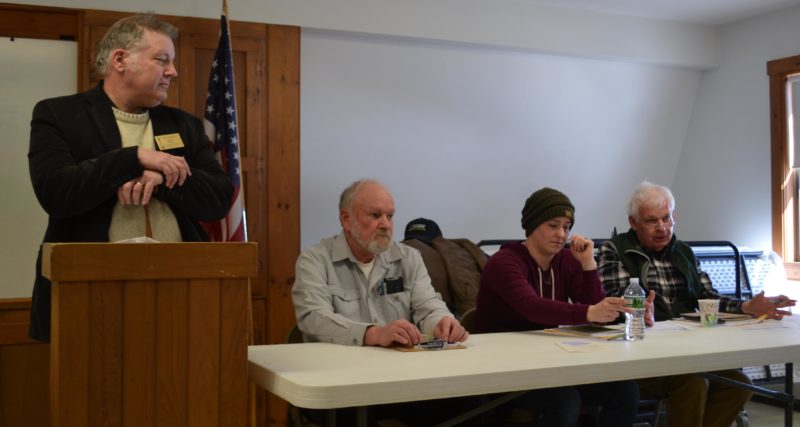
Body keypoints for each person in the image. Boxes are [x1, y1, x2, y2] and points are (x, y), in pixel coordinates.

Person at [27, 14, 234, 342]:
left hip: (180, 294)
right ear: (120, 59)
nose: (173, 71)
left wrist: (162, 177)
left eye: (173, 62)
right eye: (161, 60)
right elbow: (55, 191)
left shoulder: (184, 125)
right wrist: (134, 157)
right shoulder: (58, 115)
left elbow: (219, 198)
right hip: (89, 298)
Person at [599, 181, 796, 427]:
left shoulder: (684, 252)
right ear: (633, 222)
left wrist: (747, 307)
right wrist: (638, 310)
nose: (662, 228)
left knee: (739, 383)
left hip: (685, 349)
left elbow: (708, 296)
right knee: (692, 383)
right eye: (652, 221)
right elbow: (617, 298)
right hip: (640, 354)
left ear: (674, 217)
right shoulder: (615, 250)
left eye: (667, 218)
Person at [292, 179, 470, 426]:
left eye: (390, 215)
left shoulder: (408, 257)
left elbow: (427, 303)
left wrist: (442, 321)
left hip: (399, 379)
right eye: (375, 215)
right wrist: (372, 333)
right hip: (340, 381)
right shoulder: (314, 260)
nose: (386, 224)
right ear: (346, 219)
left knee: (465, 403)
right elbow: (313, 318)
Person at [475, 187, 639, 427]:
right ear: (532, 226)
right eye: (553, 225)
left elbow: (597, 313)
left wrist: (588, 264)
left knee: (626, 391)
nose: (562, 234)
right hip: (503, 365)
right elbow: (530, 306)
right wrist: (588, 312)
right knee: (565, 400)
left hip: (550, 362)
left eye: (567, 227)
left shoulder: (566, 260)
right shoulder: (504, 262)